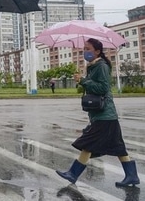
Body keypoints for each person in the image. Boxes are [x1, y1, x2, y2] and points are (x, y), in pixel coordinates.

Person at [56, 38, 140, 187]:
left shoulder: (101, 66)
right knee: (118, 146)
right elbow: (94, 86)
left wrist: (83, 80)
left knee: (89, 143)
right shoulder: (93, 66)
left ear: (97, 51)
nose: (85, 52)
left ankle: (73, 173)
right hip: (104, 114)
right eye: (84, 49)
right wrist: (82, 80)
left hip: (105, 114)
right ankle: (132, 176)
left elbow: (102, 88)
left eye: (88, 49)